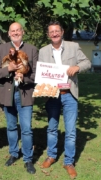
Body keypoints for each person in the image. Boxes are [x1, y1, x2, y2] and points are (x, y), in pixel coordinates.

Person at [38, 21, 91, 179]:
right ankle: (51, 156)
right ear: (48, 34)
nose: (54, 34)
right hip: (52, 94)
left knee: (70, 131)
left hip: (69, 94)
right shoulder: (43, 51)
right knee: (52, 128)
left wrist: (78, 67)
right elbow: (41, 73)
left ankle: (69, 162)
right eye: (51, 32)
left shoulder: (73, 47)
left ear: (62, 32)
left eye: (57, 31)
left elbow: (87, 62)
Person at [0, 22, 38, 174]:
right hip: (8, 94)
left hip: (25, 94)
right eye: (13, 31)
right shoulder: (1, 49)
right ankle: (13, 153)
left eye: (18, 30)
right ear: (8, 33)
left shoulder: (32, 49)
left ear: (22, 32)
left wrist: (24, 78)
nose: (15, 33)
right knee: (11, 126)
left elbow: (37, 74)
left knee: (26, 129)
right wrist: (8, 69)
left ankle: (28, 159)